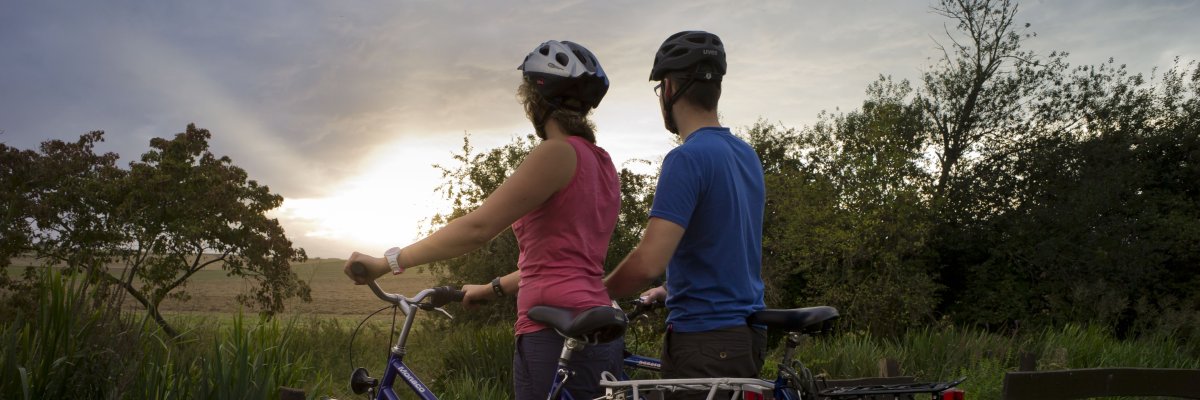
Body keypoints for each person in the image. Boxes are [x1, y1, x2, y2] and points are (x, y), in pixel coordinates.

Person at [343, 40, 624, 400]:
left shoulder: (556, 153)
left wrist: (388, 262)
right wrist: (491, 288)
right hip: (597, 326)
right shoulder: (602, 163)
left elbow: (477, 228)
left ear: (535, 102)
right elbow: (559, 263)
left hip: (552, 332)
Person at [603, 30, 767, 399]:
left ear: (670, 86)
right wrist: (669, 288)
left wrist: (597, 294)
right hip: (744, 335)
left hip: (704, 340)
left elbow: (648, 260)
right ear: (717, 90)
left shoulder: (686, 158)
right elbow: (723, 248)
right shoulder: (746, 155)